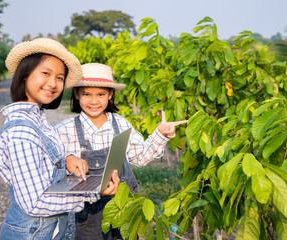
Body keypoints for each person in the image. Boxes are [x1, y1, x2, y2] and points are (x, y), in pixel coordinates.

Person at [0, 38, 120, 240]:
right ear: (25, 74)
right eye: (46, 73)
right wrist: (92, 194)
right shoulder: (21, 133)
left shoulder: (38, 120)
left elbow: (43, 159)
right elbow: (34, 203)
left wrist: (67, 158)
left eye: (60, 78)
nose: (53, 83)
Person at [56, 62, 188, 240]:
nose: (94, 101)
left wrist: (160, 135)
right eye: (87, 94)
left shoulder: (121, 124)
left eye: (101, 94)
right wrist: (66, 160)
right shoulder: (65, 129)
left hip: (126, 206)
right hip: (91, 213)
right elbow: (55, 171)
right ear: (77, 94)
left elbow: (140, 157)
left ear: (110, 94)